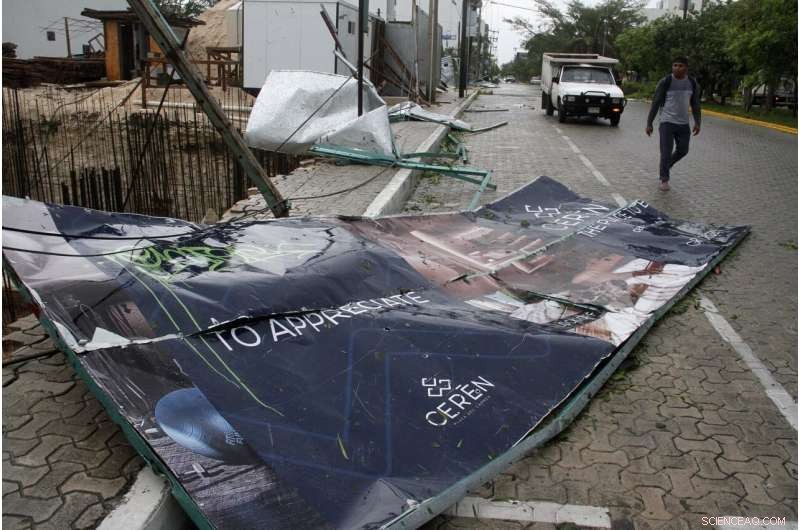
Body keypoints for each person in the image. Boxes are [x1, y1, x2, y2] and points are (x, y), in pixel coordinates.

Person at [645, 56, 701, 191]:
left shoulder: (692, 83)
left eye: (680, 65)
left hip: (683, 124)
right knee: (666, 152)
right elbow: (656, 102)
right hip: (667, 122)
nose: (677, 68)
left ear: (686, 68)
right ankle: (664, 179)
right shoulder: (666, 81)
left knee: (683, 150)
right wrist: (649, 123)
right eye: (674, 65)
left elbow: (695, 104)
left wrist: (698, 122)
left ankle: (666, 165)